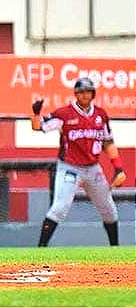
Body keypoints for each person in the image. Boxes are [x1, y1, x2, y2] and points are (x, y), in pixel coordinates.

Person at [31, 77, 126, 247]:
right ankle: (40, 248)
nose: (85, 95)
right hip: (70, 167)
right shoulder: (64, 114)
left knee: (109, 210)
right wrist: (36, 114)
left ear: (93, 94)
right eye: (81, 92)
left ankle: (115, 249)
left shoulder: (100, 115)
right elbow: (38, 127)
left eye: (88, 92)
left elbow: (108, 142)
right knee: (60, 208)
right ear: (75, 94)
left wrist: (118, 168)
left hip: (93, 168)